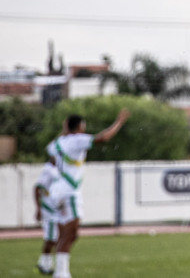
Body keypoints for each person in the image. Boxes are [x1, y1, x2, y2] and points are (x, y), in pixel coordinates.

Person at [46, 109, 130, 278]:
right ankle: (62, 273)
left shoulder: (57, 143)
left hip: (57, 189)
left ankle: (60, 270)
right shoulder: (77, 140)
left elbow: (53, 158)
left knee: (68, 233)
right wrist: (119, 122)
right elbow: (103, 137)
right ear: (79, 127)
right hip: (70, 191)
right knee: (71, 233)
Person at [33, 157, 61, 275]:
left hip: (55, 209)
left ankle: (45, 263)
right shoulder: (48, 170)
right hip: (49, 209)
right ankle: (43, 264)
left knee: (55, 238)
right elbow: (37, 188)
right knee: (51, 237)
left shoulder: (57, 169)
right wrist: (38, 208)